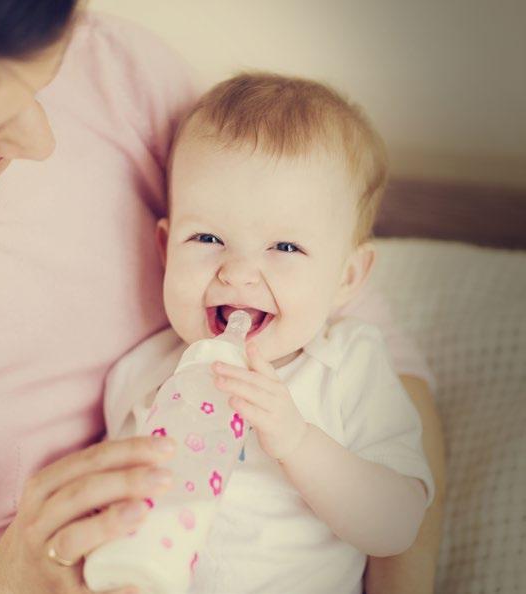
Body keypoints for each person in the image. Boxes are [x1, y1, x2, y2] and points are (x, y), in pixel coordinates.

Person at [0, 1, 444, 593]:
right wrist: (9, 576)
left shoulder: (119, 71)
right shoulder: (141, 381)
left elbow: (367, 337)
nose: (43, 142)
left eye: (46, 75)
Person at [101, 73, 435, 593]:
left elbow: (396, 527)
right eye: (207, 237)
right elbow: (109, 505)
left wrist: (297, 441)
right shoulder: (145, 375)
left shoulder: (349, 365)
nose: (238, 272)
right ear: (166, 249)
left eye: (284, 248)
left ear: (346, 277)